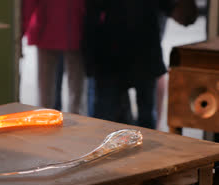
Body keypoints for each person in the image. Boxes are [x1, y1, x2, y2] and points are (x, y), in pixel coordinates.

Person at [83, 0, 198, 129]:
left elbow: (182, 14)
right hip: (126, 57)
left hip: (124, 57)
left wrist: (89, 59)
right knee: (117, 119)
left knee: (111, 120)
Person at [22, 0, 85, 113]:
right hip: (71, 27)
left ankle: (47, 119)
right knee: (76, 92)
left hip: (54, 27)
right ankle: (75, 122)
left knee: (47, 91)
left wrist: (23, 28)